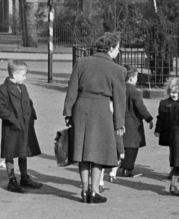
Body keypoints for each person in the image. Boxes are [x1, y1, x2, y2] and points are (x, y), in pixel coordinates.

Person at [63, 32, 126, 205]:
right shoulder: (118, 70)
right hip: (101, 109)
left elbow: (72, 89)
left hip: (81, 108)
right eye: (118, 49)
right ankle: (95, 190)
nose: (118, 52)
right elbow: (120, 99)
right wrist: (119, 123)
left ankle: (84, 190)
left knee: (82, 151)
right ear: (111, 48)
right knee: (97, 152)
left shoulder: (81, 62)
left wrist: (68, 112)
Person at [0, 60, 42, 193]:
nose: (25, 78)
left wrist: (32, 114)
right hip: (12, 127)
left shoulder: (23, 87)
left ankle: (24, 177)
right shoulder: (3, 89)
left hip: (25, 125)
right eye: (23, 75)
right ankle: (12, 180)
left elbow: (28, 101)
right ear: (14, 75)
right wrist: (13, 119)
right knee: (10, 153)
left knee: (23, 152)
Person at [118, 66, 153, 178]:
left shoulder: (119, 89)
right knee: (132, 147)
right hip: (133, 123)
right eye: (136, 76)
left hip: (121, 120)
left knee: (122, 144)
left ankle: (119, 165)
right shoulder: (135, 92)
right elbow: (140, 107)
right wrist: (149, 118)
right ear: (132, 78)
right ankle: (127, 169)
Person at [154, 77, 179, 180]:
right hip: (169, 131)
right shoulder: (164, 103)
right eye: (172, 92)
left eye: (176, 92)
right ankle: (173, 170)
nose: (174, 95)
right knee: (172, 152)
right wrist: (157, 130)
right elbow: (160, 118)